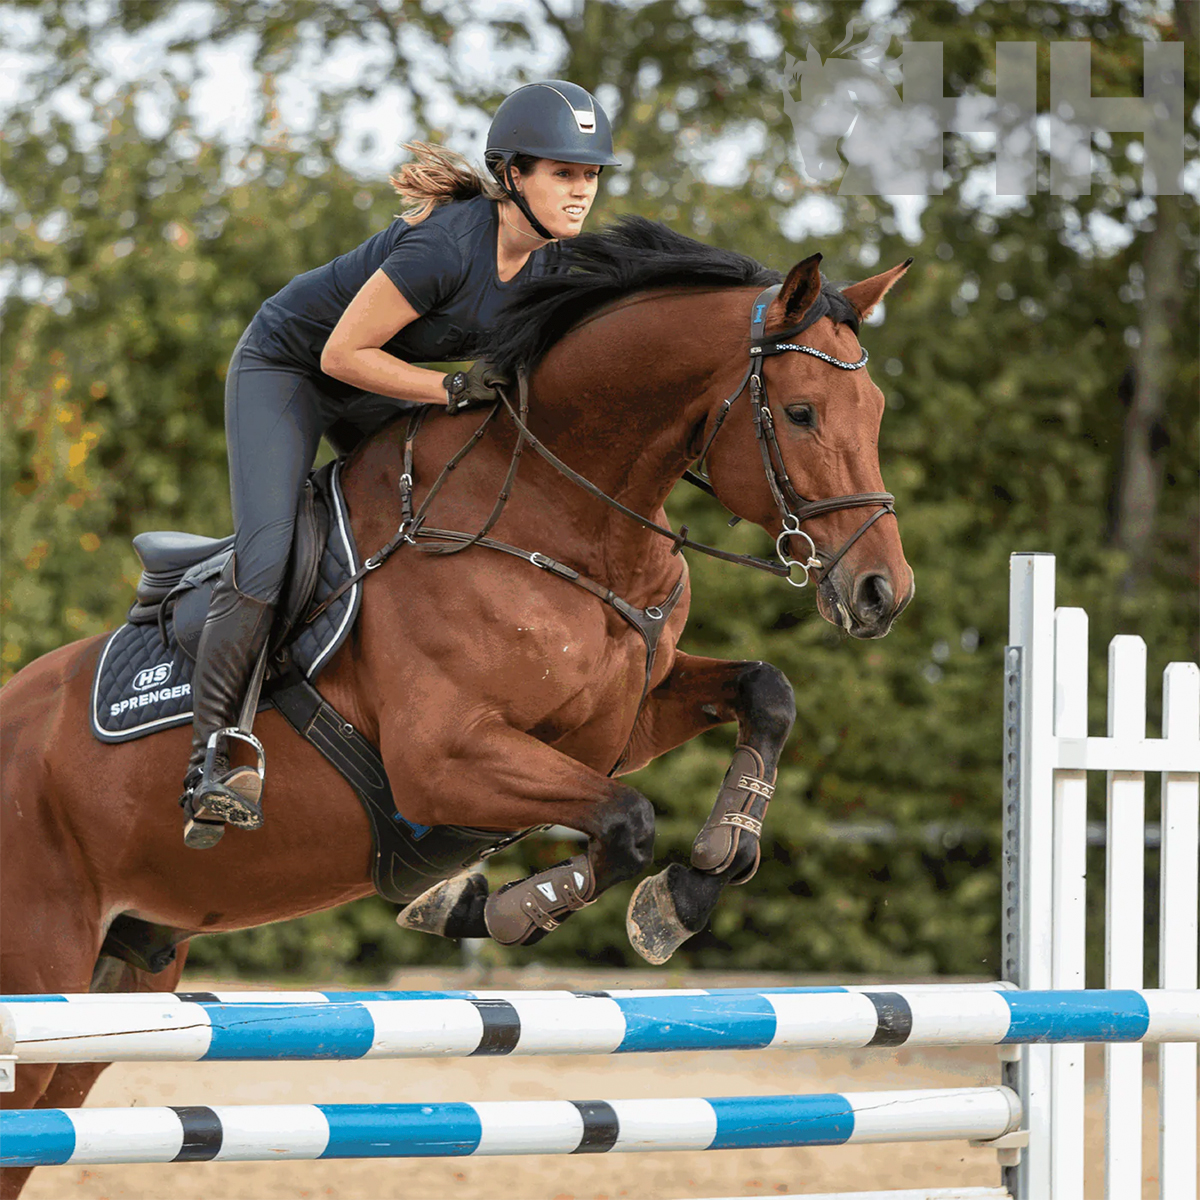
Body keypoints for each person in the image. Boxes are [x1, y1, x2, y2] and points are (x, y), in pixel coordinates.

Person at [180, 80, 620, 849]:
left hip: (377, 383)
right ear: (512, 174)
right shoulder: (444, 246)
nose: (581, 191)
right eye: (563, 172)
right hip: (290, 373)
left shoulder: (554, 267)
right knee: (269, 555)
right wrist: (450, 387)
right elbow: (339, 354)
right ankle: (216, 756)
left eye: (590, 175)